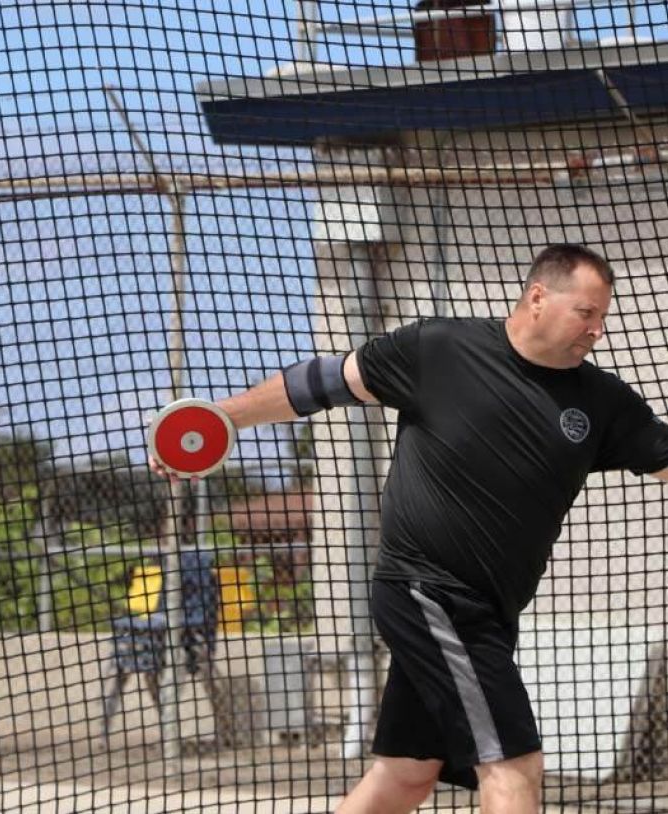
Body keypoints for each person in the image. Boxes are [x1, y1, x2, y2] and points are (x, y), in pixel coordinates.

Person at [149, 244, 668, 814]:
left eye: (602, 317)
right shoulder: (441, 350)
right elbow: (322, 381)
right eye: (586, 313)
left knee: (405, 775)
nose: (596, 330)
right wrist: (223, 417)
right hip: (427, 590)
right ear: (539, 297)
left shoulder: (601, 402)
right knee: (513, 764)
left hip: (488, 611)